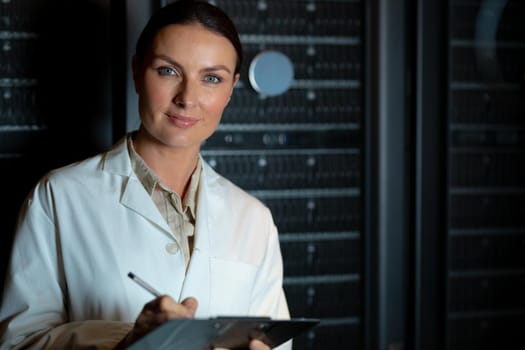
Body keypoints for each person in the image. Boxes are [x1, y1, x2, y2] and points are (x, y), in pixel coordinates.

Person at [0, 1, 291, 349]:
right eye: (168, 71)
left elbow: (274, 341)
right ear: (137, 71)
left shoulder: (253, 219)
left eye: (211, 78)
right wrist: (128, 340)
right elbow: (18, 342)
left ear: (230, 90)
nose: (188, 98)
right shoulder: (60, 196)